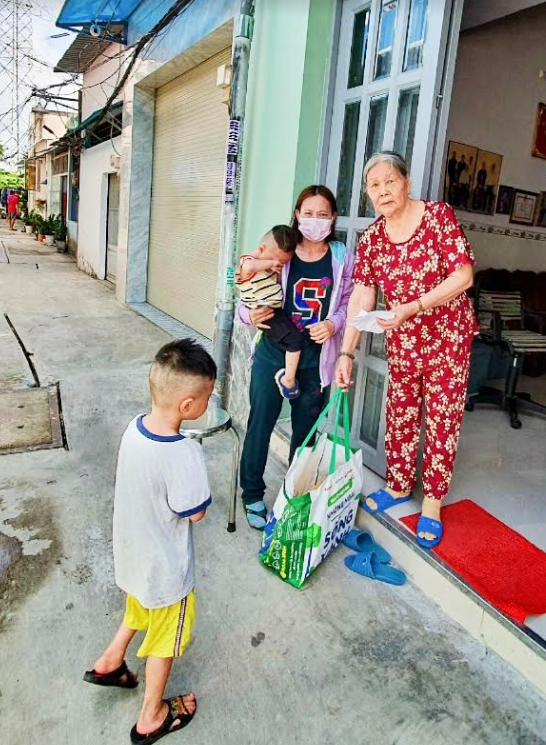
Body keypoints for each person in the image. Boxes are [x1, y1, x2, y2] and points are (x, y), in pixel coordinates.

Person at [335, 152, 476, 549]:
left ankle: (432, 503)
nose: (383, 191)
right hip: (404, 342)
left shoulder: (438, 217)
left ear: (406, 183)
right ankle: (398, 485)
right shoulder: (374, 239)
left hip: (448, 339)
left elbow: (463, 276)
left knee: (443, 419)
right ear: (367, 194)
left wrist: (414, 306)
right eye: (374, 186)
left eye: (389, 181)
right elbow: (363, 295)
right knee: (400, 413)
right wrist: (346, 353)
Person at [84, 339, 214, 743]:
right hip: (167, 570)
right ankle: (151, 715)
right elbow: (195, 512)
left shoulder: (134, 427)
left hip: (133, 555)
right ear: (188, 406)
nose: (208, 403)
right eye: (208, 396)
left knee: (139, 605)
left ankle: (110, 660)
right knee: (165, 636)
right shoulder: (184, 454)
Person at [236, 185, 355, 530]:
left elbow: (349, 301)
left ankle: (293, 498)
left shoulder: (341, 257)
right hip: (273, 355)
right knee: (261, 423)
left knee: (305, 437)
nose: (314, 221)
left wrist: (334, 323)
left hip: (315, 363)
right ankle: (252, 494)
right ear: (297, 215)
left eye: (322, 214)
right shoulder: (282, 249)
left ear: (333, 218)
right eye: (308, 213)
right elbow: (246, 284)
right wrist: (248, 315)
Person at [235, 225, 304, 399]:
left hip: (274, 313)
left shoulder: (268, 268)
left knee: (291, 340)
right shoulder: (248, 264)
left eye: (282, 263)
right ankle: (288, 380)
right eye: (277, 261)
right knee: (295, 341)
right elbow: (249, 266)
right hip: (267, 314)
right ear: (261, 249)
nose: (278, 266)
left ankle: (287, 373)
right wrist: (270, 263)